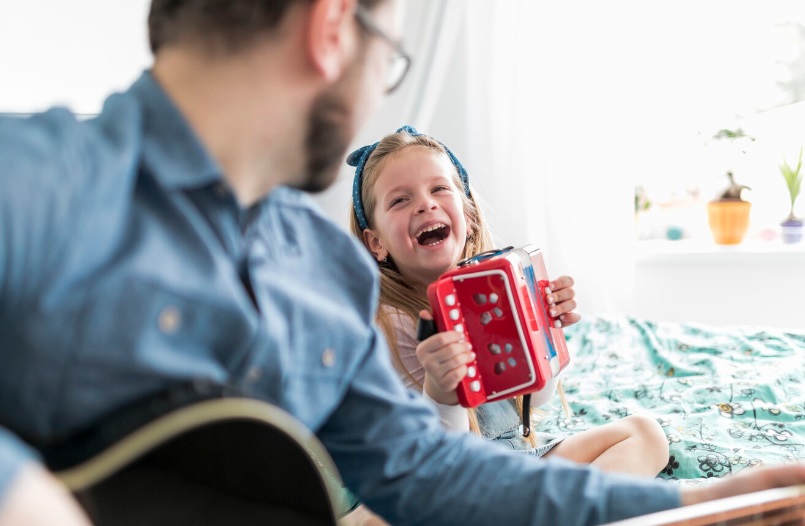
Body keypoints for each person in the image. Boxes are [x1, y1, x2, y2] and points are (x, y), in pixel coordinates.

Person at [0, 1, 803, 525]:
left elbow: (428, 470)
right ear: (332, 29)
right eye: (388, 58)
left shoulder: (322, 269)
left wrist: (698, 502)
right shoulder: (34, 182)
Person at [348, 125, 669, 477]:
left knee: (645, 434)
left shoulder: (493, 291)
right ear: (375, 242)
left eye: (439, 188)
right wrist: (442, 391)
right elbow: (433, 463)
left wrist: (544, 334)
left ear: (468, 216)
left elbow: (527, 403)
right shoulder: (390, 326)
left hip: (514, 458)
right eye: (400, 200)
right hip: (450, 479)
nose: (426, 204)